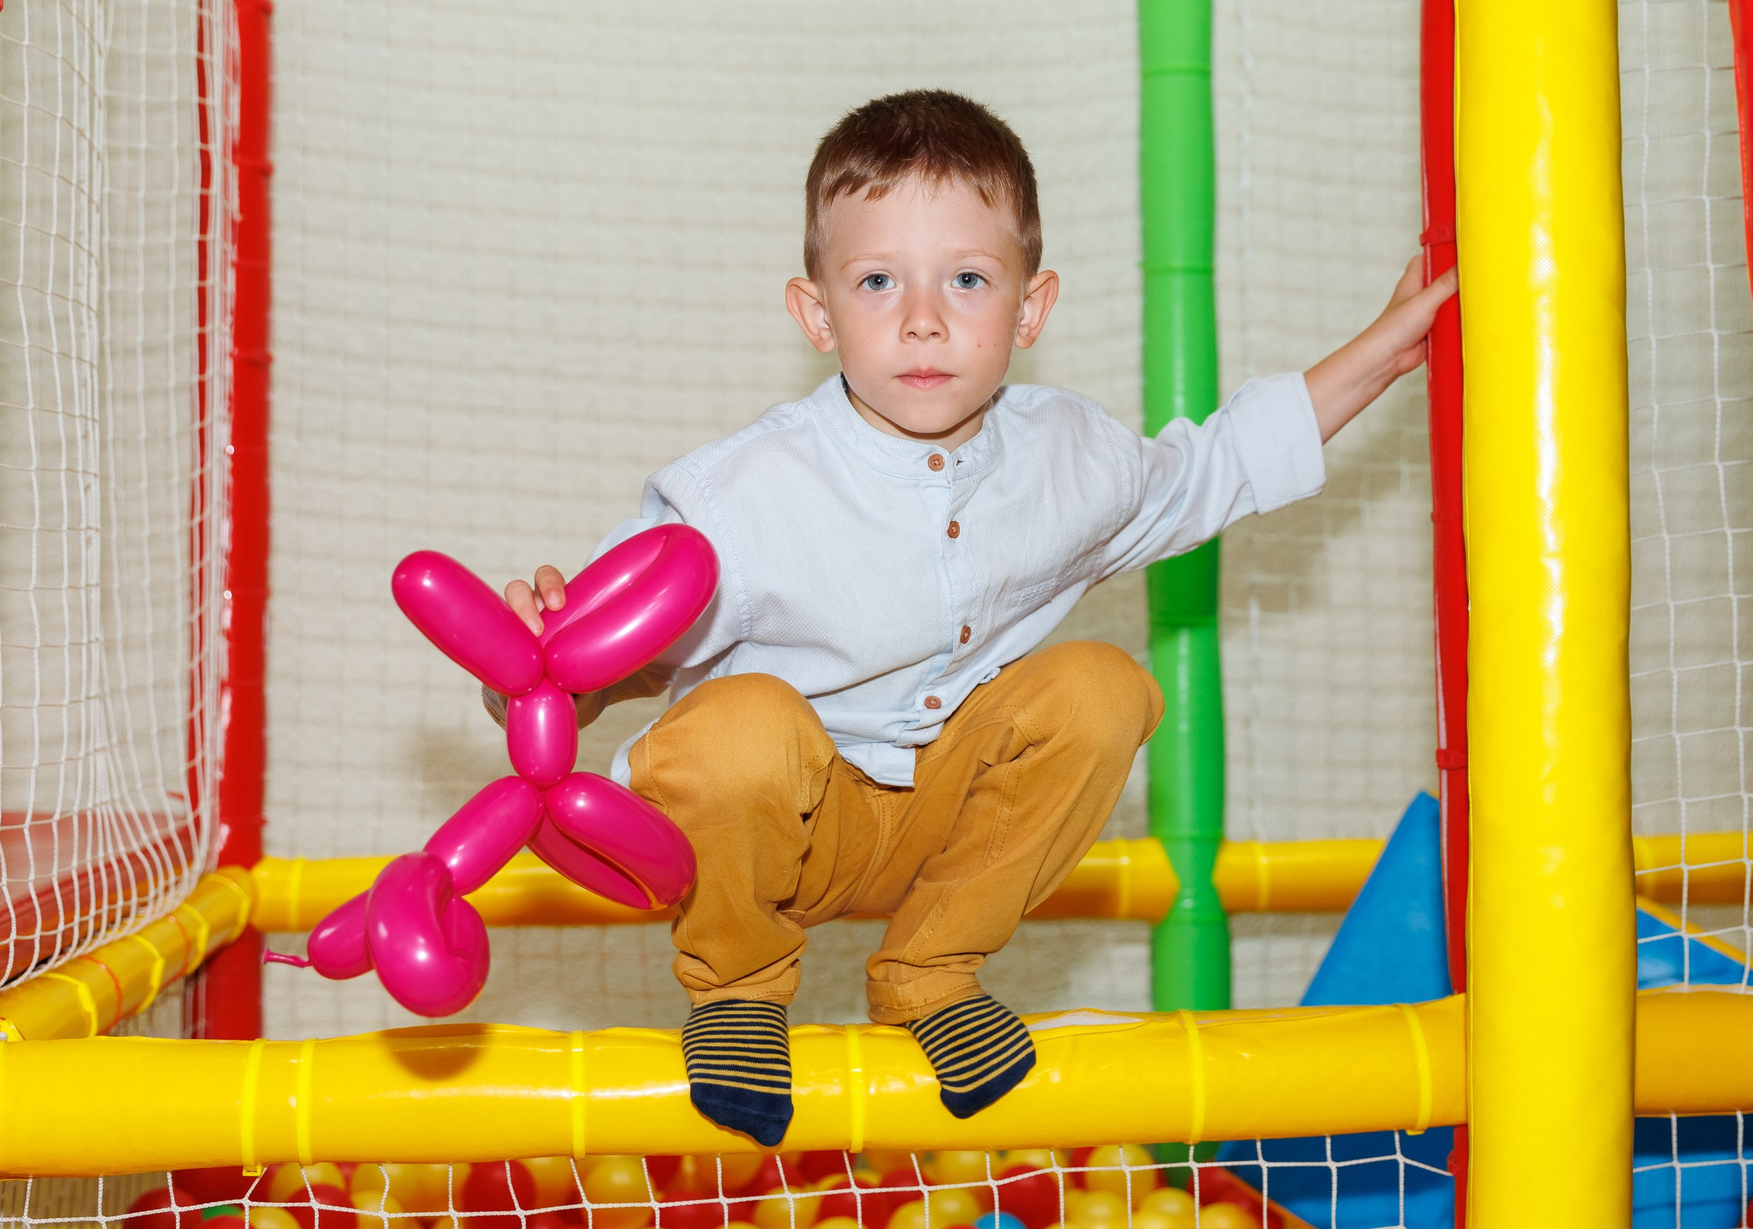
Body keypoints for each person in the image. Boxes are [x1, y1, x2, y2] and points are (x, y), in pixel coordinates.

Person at [493, 89, 1453, 1146]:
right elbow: (588, 669)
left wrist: (1385, 348)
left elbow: (1213, 470)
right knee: (741, 722)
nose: (923, 319)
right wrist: (529, 667)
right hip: (778, 830)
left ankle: (932, 967)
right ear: (816, 314)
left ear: (1029, 310)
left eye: (966, 280)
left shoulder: (1069, 457)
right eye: (877, 281)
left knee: (1102, 687)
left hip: (945, 820)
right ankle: (737, 988)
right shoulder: (742, 495)